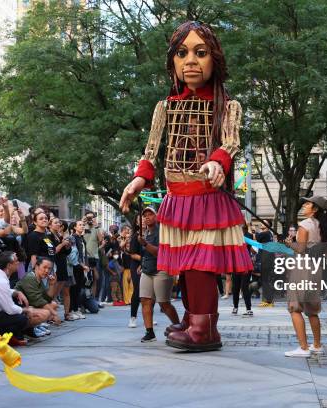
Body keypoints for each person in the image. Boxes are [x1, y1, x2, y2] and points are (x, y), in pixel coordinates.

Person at [119, 21, 253, 351]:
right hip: (177, 197)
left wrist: (218, 162)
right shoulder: (165, 107)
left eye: (200, 52)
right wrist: (139, 177)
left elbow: (231, 142)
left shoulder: (228, 106)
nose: (190, 61)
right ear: (173, 62)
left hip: (207, 198)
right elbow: (152, 150)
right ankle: (195, 317)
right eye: (182, 53)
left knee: (199, 264)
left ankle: (203, 329)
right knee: (185, 266)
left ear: (214, 60)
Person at [284, 196, 327, 358]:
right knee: (312, 310)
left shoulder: (304, 225)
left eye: (308, 203)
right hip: (316, 269)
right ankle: (317, 345)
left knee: (295, 307)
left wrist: (289, 243)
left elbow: (300, 249)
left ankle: (303, 347)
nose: (304, 205)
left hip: (302, 268)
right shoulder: (324, 227)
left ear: (315, 209)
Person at [0, 251, 48, 347]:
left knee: (20, 300)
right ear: (8, 265)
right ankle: (16, 334)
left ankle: (20, 334)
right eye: (16, 261)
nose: (18, 263)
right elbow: (10, 310)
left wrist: (16, 292)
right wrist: (28, 310)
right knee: (22, 318)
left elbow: (4, 291)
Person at [137, 207, 180, 342]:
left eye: (151, 214)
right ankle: (149, 332)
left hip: (161, 269)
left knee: (163, 303)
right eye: (145, 215)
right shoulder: (145, 233)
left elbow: (160, 253)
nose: (147, 217)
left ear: (157, 216)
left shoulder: (162, 232)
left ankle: (178, 326)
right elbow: (143, 253)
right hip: (147, 269)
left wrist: (145, 244)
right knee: (145, 300)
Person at [14, 257, 61, 325]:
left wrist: (51, 285)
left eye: (49, 268)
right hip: (19, 307)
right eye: (44, 267)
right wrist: (55, 314)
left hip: (30, 304)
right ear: (36, 266)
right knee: (46, 312)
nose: (47, 271)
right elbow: (38, 300)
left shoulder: (38, 279)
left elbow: (47, 299)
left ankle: (37, 326)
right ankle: (29, 329)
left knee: (53, 304)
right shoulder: (30, 278)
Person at [49, 218, 73, 319]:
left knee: (60, 289)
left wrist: (67, 246)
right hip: (55, 264)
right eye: (55, 223)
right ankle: (51, 316)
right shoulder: (49, 236)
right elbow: (53, 251)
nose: (58, 224)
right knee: (53, 291)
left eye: (59, 223)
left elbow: (66, 251)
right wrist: (63, 244)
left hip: (63, 263)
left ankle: (63, 314)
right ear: (50, 225)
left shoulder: (59, 235)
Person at [67, 220, 88, 320]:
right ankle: (71, 310)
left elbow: (83, 253)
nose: (82, 226)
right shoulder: (73, 238)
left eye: (83, 225)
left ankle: (76, 309)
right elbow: (74, 254)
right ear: (74, 227)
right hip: (75, 266)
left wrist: (85, 265)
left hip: (81, 267)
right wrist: (82, 265)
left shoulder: (81, 238)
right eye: (80, 225)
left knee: (78, 289)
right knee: (73, 289)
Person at [231, 223, 253, 316]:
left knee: (244, 287)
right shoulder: (233, 237)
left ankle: (248, 309)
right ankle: (235, 307)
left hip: (246, 265)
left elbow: (254, 246)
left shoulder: (248, 236)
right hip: (236, 264)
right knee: (235, 287)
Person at [127, 215, 142, 328]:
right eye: (141, 218)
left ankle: (149, 316)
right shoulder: (136, 236)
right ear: (137, 223)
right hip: (136, 266)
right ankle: (133, 317)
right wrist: (143, 261)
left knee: (150, 293)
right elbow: (132, 254)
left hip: (149, 265)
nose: (144, 219)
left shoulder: (153, 234)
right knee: (138, 290)